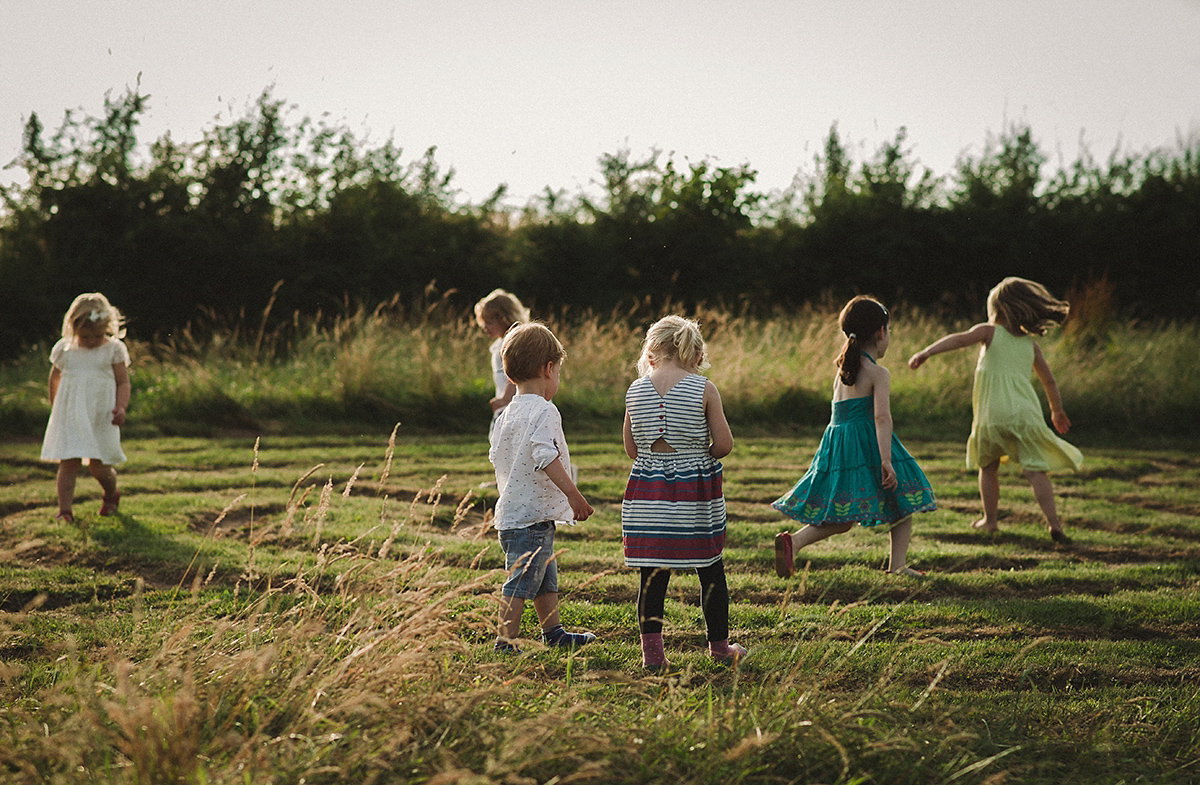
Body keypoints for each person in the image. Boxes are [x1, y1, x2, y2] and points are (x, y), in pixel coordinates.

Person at [908, 276, 1082, 543]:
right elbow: (1049, 380)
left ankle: (990, 521)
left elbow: (959, 339)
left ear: (998, 309)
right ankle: (1054, 523)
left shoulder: (989, 333)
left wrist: (926, 352)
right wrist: (1057, 412)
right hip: (1026, 415)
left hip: (992, 416)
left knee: (988, 467)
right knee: (1036, 471)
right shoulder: (1031, 346)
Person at [773, 296, 936, 578]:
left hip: (839, 442)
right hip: (868, 443)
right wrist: (887, 460)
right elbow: (881, 418)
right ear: (880, 332)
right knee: (903, 495)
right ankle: (896, 566)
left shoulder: (842, 371)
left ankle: (795, 542)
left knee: (847, 512)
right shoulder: (878, 373)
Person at [622, 315, 745, 671]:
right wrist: (697, 454)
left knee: (652, 578)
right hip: (693, 497)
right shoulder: (703, 388)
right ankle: (720, 648)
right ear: (694, 353)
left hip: (647, 496)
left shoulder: (635, 390)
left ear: (652, 351)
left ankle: (653, 657)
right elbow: (723, 444)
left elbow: (632, 449)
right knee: (710, 569)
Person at [488, 321, 596, 653]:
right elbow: (545, 456)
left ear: (510, 375)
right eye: (559, 372)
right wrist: (573, 494)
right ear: (548, 369)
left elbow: (496, 455)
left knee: (543, 576)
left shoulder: (506, 414)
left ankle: (554, 633)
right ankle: (505, 641)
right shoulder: (544, 410)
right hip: (530, 517)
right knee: (522, 580)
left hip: (513, 512)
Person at [40, 292, 131, 523]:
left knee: (98, 468)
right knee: (68, 462)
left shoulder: (113, 350)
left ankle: (111, 494)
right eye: (85, 336)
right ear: (73, 327)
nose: (91, 340)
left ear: (108, 328)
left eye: (98, 335)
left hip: (101, 416)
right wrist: (56, 409)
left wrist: (121, 407)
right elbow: (55, 378)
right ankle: (65, 511)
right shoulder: (65, 350)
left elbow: (123, 381)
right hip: (71, 415)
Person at [474, 289, 531, 437]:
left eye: (490, 322)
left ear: (506, 318)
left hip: (517, 404)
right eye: (483, 323)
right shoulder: (500, 344)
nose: (485, 327)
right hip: (510, 404)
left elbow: (517, 373)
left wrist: (505, 399)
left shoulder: (512, 343)